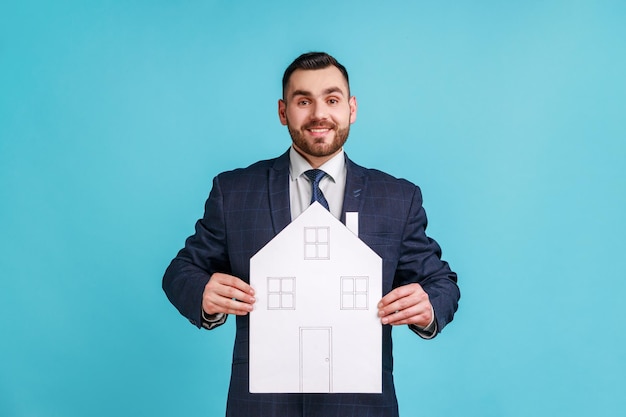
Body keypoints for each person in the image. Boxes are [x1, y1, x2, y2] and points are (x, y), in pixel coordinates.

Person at [163, 52, 460, 417]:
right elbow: (181, 271)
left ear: (351, 108)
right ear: (283, 111)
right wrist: (203, 294)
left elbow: (441, 282)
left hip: (361, 407)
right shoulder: (234, 191)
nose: (319, 114)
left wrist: (428, 305)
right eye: (303, 101)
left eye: (332, 100)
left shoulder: (397, 198)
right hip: (262, 407)